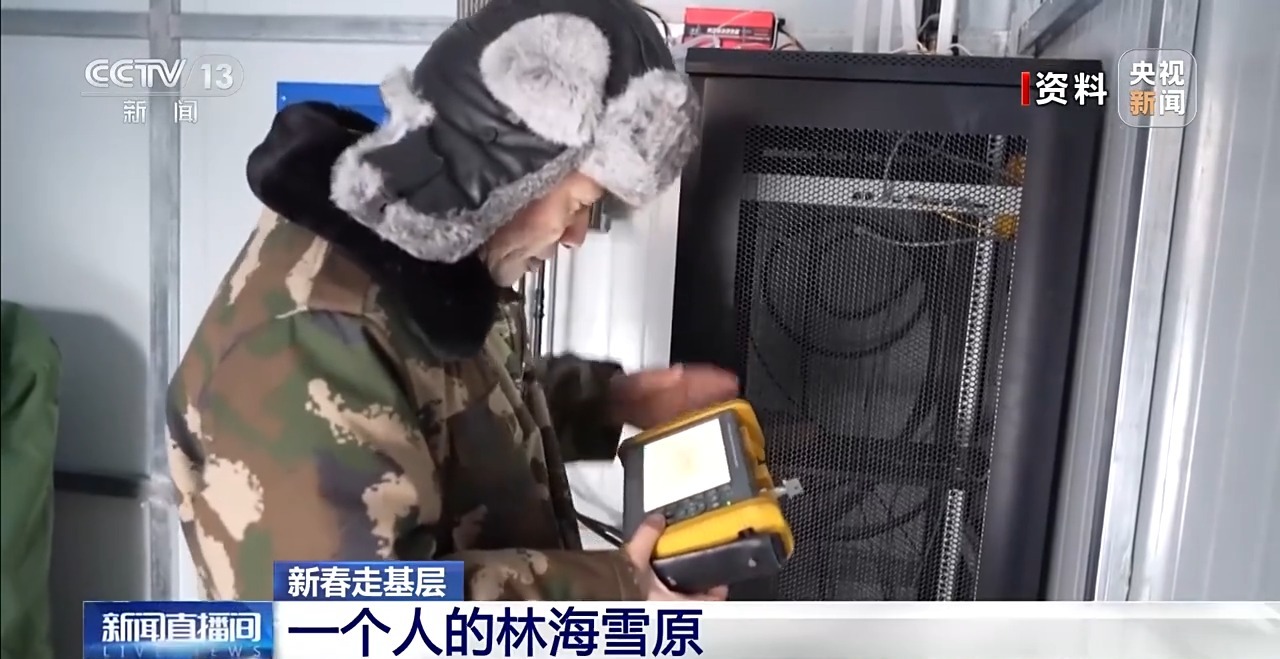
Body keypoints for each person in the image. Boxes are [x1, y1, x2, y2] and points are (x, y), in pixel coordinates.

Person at [167, 0, 740, 602]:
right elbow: (349, 617)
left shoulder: (432, 260)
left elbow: (443, 412)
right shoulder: (310, 333)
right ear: (508, 167)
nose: (575, 236)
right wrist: (619, 590)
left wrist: (609, 401)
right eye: (579, 204)